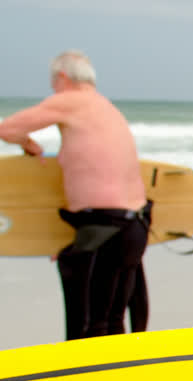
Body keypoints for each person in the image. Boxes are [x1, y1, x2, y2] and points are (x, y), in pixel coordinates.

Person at [0, 49, 150, 340]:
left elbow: (7, 129)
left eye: (53, 83)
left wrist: (28, 144)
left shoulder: (69, 100)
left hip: (101, 231)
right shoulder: (108, 108)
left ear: (63, 77)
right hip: (135, 226)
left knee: (86, 333)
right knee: (112, 326)